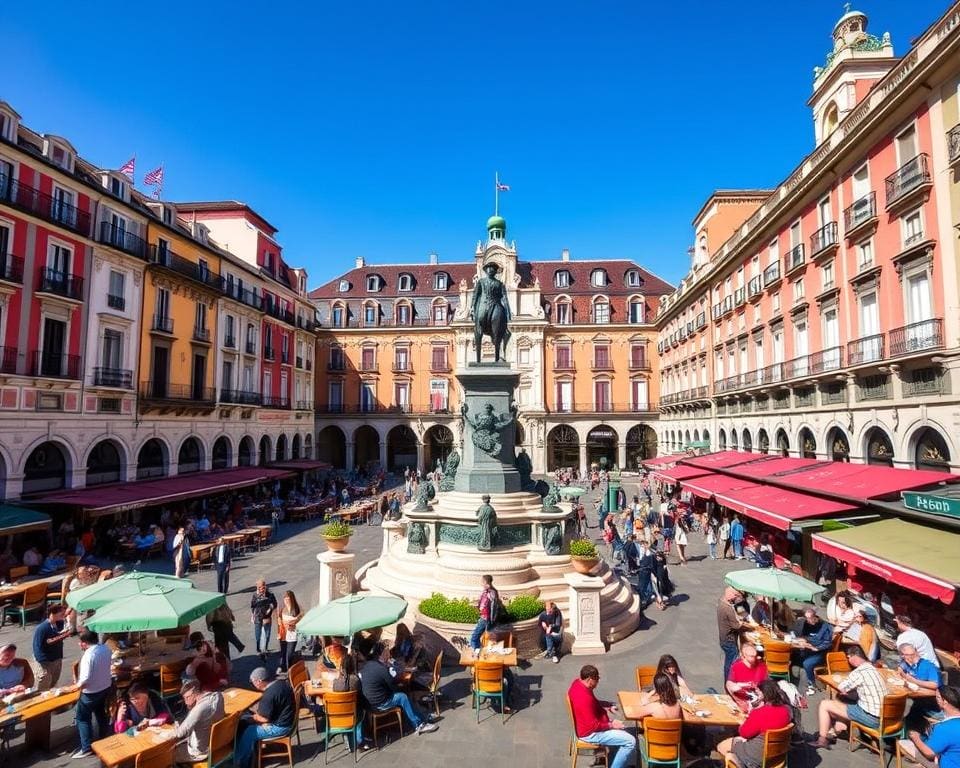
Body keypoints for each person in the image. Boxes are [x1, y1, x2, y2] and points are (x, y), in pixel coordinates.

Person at [810, 645, 888, 749]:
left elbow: (842, 687)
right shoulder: (875, 669)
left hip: (871, 718)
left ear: (854, 657)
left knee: (825, 704)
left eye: (848, 658)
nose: (848, 661)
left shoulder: (859, 673)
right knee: (846, 700)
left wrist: (845, 686)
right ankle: (839, 727)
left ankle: (822, 740)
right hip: (885, 716)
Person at [359, 642, 438, 735]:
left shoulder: (368, 664)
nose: (389, 653)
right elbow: (392, 687)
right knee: (403, 697)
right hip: (380, 703)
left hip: (369, 701)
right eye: (387, 651)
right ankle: (419, 725)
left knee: (405, 694)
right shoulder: (382, 669)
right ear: (383, 653)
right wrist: (399, 685)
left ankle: (422, 717)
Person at [566, 665, 636, 768]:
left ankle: (616, 760)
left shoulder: (578, 683)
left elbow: (593, 703)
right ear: (590, 680)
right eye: (597, 679)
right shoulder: (584, 698)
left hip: (584, 726)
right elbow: (593, 726)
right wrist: (611, 725)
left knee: (622, 732)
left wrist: (607, 705)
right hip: (589, 733)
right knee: (630, 741)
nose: (598, 682)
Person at [717, 679, 793, 768]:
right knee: (737, 740)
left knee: (721, 746)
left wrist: (745, 721)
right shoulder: (787, 710)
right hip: (777, 755)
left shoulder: (760, 713)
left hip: (757, 756)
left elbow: (744, 733)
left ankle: (739, 764)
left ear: (763, 695)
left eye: (758, 693)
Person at [235, 667, 296, 767]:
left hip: (280, 727)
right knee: (249, 721)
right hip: (287, 719)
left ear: (259, 681)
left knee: (248, 732)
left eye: (253, 682)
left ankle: (241, 762)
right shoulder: (281, 684)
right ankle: (252, 751)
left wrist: (252, 717)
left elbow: (264, 718)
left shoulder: (269, 695)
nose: (253, 684)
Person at [71, 630, 113, 758]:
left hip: (91, 692)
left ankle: (86, 747)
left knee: (82, 718)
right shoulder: (105, 649)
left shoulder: (88, 656)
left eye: (80, 642)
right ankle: (104, 738)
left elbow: (85, 678)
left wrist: (74, 687)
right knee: (100, 713)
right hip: (104, 687)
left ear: (84, 643)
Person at [899, 685, 960, 768]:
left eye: (938, 698)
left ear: (945, 702)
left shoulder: (944, 728)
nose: (936, 700)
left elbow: (929, 753)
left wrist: (916, 738)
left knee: (903, 743)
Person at [172, 679, 225, 764]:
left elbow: (179, 733)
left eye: (187, 697)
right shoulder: (218, 696)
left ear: (194, 693)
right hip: (217, 743)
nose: (185, 702)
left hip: (200, 753)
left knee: (167, 755)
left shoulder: (197, 711)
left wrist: (176, 726)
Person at [897, 643, 943, 727]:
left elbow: (934, 685)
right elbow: (900, 668)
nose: (914, 657)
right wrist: (901, 672)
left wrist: (914, 681)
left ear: (916, 652)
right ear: (902, 656)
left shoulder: (928, 666)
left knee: (905, 707)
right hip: (919, 698)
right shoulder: (906, 663)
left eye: (914, 654)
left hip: (933, 704)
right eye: (909, 655)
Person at [791, 608, 834, 696]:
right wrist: (803, 640)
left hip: (821, 652)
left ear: (815, 616)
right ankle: (793, 678)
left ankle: (812, 683)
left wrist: (815, 648)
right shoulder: (807, 624)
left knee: (807, 663)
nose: (809, 620)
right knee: (793, 654)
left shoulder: (825, 626)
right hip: (809, 649)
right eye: (807, 618)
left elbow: (828, 643)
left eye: (811, 618)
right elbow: (805, 636)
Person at [32, 603, 71, 691]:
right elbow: (41, 644)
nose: (63, 615)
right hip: (45, 661)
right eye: (61, 613)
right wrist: (63, 636)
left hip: (56, 658)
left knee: (53, 681)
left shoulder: (60, 624)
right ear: (52, 613)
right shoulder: (42, 628)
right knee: (43, 684)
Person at [726, 640, 769, 712]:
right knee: (733, 686)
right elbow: (729, 685)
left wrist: (762, 694)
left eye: (755, 656)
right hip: (741, 697)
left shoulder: (762, 666)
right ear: (743, 656)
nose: (754, 659)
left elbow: (767, 685)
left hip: (757, 698)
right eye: (751, 656)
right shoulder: (736, 666)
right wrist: (738, 699)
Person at [718, 587, 745, 680]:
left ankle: (729, 680)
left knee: (729, 660)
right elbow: (737, 626)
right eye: (735, 595)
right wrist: (742, 621)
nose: (735, 598)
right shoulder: (728, 609)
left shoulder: (722, 601)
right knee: (731, 662)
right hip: (729, 640)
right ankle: (729, 681)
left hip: (724, 639)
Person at [469, 574, 498, 658]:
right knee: (487, 638)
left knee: (474, 637)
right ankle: (480, 653)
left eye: (482, 582)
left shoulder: (491, 592)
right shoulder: (487, 591)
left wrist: (491, 620)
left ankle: (477, 653)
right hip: (484, 618)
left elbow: (492, 606)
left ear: (486, 582)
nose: (481, 584)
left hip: (486, 619)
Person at [250, 579, 278, 661]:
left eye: (263, 587)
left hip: (267, 618)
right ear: (258, 587)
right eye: (260, 587)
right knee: (258, 635)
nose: (262, 589)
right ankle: (259, 649)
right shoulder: (255, 595)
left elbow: (275, 604)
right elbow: (252, 606)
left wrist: (271, 608)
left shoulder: (270, 595)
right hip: (258, 618)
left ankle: (265, 648)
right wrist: (252, 615)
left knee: (267, 634)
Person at [277, 590, 303, 673]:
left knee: (290, 654)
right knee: (283, 652)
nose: (286, 600)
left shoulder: (297, 609)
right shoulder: (282, 609)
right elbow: (279, 621)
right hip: (284, 633)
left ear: (292, 599)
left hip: (292, 634)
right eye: (285, 598)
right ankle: (283, 667)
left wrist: (294, 623)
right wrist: (279, 629)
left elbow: (301, 619)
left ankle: (290, 669)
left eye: (288, 598)